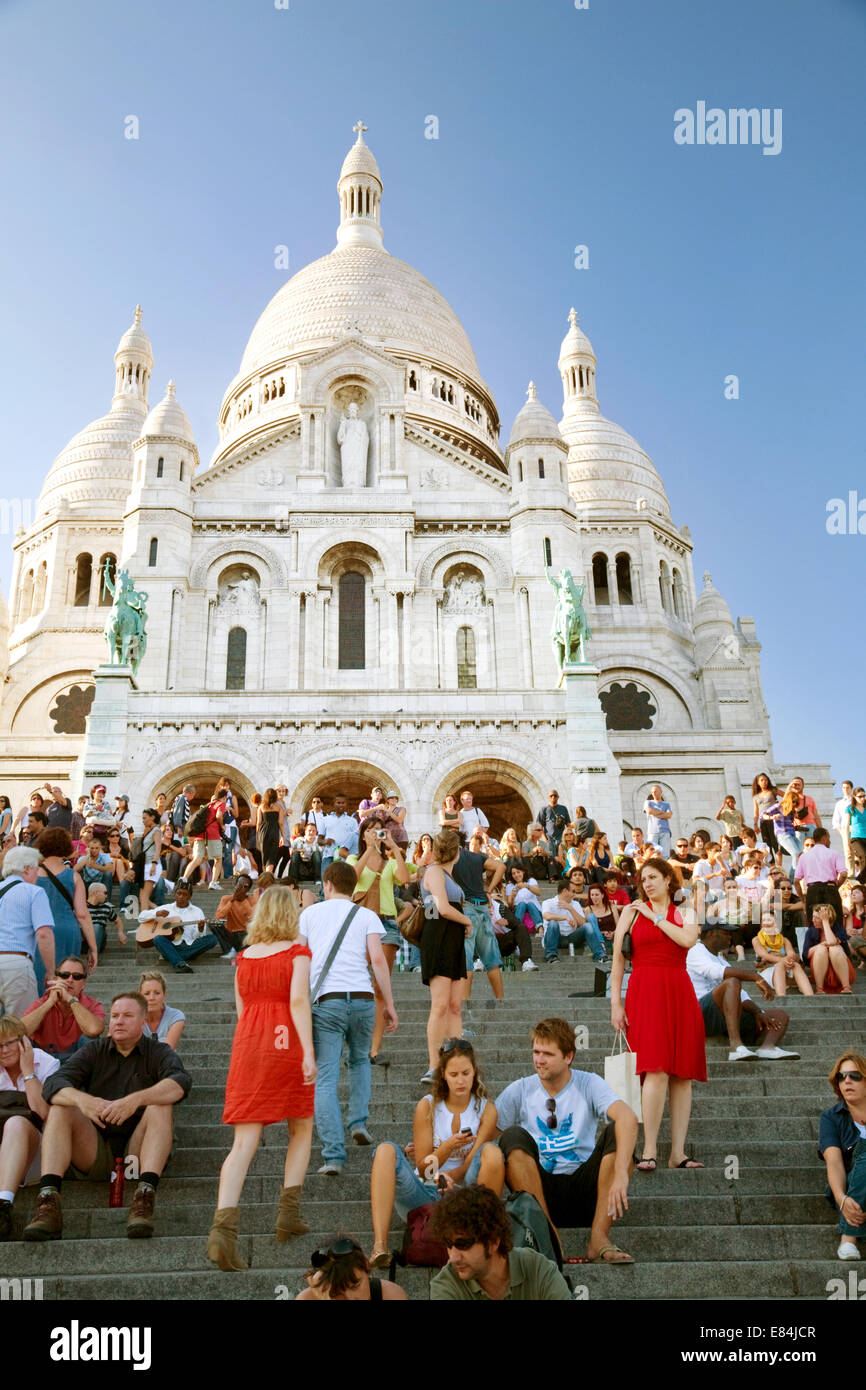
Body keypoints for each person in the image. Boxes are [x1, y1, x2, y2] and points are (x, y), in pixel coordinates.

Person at [23, 991, 192, 1241]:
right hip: (96, 1151)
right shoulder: (95, 1050)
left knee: (160, 1103)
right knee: (62, 1106)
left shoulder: (158, 1052)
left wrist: (136, 1100)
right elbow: (53, 1084)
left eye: (127, 1016)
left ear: (143, 1021)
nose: (118, 1021)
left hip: (139, 1155)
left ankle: (144, 1195)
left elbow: (181, 1083)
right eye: (114, 1016)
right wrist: (85, 1101)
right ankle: (48, 1202)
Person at [207, 885, 316, 1270]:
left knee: (243, 1143)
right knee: (301, 1126)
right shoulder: (297, 951)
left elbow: (242, 1010)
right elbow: (299, 1001)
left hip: (249, 1044)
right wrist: (308, 1052)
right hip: (285, 1041)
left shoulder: (244, 957)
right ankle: (287, 1213)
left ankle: (223, 1232)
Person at [496, 1016, 637, 1264]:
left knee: (617, 1131)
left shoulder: (588, 1083)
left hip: (586, 1193)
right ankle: (549, 1239)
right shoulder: (520, 1089)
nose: (539, 1060)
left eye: (547, 1054)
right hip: (540, 1196)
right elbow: (487, 1138)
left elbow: (627, 1116)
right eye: (536, 1052)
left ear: (568, 1056)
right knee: (512, 1137)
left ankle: (599, 1238)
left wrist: (623, 1173)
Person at [368, 1037, 504, 1267]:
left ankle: (484, 1239)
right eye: (454, 1074)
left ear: (474, 1072)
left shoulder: (486, 1109)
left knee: (491, 1151)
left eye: (465, 1073)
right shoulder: (428, 1106)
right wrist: (448, 1147)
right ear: (443, 1075)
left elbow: (470, 1164)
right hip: (425, 1191)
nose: (461, 1080)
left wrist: (452, 1180)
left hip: (465, 1192)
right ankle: (379, 1247)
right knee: (384, 1150)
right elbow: (423, 1167)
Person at [299, 861, 398, 1176]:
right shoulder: (366, 915)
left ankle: (333, 1155)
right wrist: (390, 1003)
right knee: (359, 1062)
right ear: (353, 887)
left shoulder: (309, 914)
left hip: (326, 1002)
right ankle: (358, 1122)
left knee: (326, 1077)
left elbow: (299, 960)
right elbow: (379, 960)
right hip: (363, 999)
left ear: (327, 884)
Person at [610, 858, 705, 1171]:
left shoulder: (686, 910)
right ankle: (648, 1148)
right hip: (644, 990)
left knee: (682, 1075)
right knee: (656, 1068)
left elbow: (688, 939)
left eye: (653, 877)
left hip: (679, 989)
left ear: (668, 880)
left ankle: (677, 1152)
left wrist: (657, 917)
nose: (647, 883)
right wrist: (615, 1004)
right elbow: (618, 962)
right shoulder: (631, 912)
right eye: (643, 879)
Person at [429, 1185, 572, 1301]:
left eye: (464, 1244)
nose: (453, 1257)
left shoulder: (538, 1268)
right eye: (448, 1244)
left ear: (493, 1242)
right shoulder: (446, 1284)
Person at [686, 924, 799, 1060]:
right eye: (726, 933)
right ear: (710, 934)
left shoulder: (720, 959)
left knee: (779, 1015)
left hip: (726, 1014)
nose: (730, 937)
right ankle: (736, 1046)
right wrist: (756, 977)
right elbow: (716, 972)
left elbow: (742, 995)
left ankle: (767, 1048)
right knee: (732, 982)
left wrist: (757, 1012)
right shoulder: (695, 951)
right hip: (700, 1014)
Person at [348, 826, 409, 1065]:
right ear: (363, 835)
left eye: (379, 831)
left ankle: (374, 1049)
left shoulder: (390, 861)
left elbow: (404, 879)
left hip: (386, 924)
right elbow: (351, 877)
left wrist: (394, 848)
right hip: (360, 923)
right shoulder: (354, 857)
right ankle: (356, 1046)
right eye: (371, 830)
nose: (376, 834)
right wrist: (369, 851)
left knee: (380, 987)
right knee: (356, 983)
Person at [418, 831, 473, 1084]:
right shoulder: (434, 871)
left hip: (452, 938)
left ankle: (456, 1062)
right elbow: (441, 908)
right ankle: (433, 1065)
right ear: (456, 851)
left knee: (454, 1004)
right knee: (440, 1005)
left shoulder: (449, 874)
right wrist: (467, 920)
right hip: (438, 935)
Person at [0, 1016, 58, 1239]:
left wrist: (28, 1072)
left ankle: (4, 1204)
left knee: (15, 1123)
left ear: (24, 1041)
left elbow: (45, 1114)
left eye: (10, 1043)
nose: (4, 1050)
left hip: (39, 1149)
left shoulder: (46, 1063)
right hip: (4, 1149)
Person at [818, 1052, 866, 1261]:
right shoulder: (831, 1118)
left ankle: (848, 1237)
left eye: (855, 1076)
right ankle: (849, 1238)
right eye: (841, 1076)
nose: (847, 1081)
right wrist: (841, 1198)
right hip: (849, 1187)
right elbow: (834, 1162)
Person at [0, 846, 56, 1017]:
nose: (37, 874)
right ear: (26, 868)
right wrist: (51, 971)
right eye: (36, 868)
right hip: (15, 962)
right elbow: (44, 933)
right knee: (22, 1026)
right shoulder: (34, 892)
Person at [452, 837, 505, 1010]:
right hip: (482, 905)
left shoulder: (451, 858)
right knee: (491, 957)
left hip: (465, 906)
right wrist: (489, 890)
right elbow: (501, 866)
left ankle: (466, 1002)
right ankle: (501, 1000)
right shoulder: (476, 857)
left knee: (466, 957)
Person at [21, 956, 105, 1058]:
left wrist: (70, 1000)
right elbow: (20, 1032)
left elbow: (94, 1030)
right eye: (65, 975)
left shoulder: (93, 1005)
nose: (70, 980)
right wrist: (50, 1002)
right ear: (56, 979)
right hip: (43, 1059)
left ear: (83, 983)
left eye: (77, 976)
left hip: (76, 1062)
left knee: (92, 1040)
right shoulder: (42, 1002)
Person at [296, 1236, 407, 1300]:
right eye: (337, 1292)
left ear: (366, 1265)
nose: (350, 1298)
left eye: (355, 1286)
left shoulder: (391, 1294)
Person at [142, 882, 218, 974]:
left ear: (190, 897)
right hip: (171, 945)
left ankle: (176, 958)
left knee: (213, 939)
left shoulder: (197, 911)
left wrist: (200, 929)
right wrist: (156, 913)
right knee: (157, 939)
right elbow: (141, 917)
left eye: (185, 894)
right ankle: (180, 961)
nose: (181, 896)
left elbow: (198, 937)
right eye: (179, 893)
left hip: (190, 946)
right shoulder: (167, 908)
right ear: (175, 894)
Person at [541, 880, 607, 964]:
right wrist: (565, 918)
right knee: (553, 923)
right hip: (554, 938)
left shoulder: (575, 904)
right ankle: (551, 956)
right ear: (565, 891)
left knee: (588, 926)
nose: (574, 894)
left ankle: (600, 955)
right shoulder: (548, 902)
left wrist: (570, 909)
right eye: (573, 891)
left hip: (572, 937)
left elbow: (583, 923)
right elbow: (547, 916)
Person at [794, 828, 847, 927]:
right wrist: (836, 886)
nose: (830, 841)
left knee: (814, 926)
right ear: (824, 838)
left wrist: (802, 900)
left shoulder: (804, 856)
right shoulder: (834, 853)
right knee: (836, 924)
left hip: (813, 891)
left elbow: (796, 881)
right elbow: (843, 874)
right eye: (829, 838)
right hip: (831, 889)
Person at [752, 913, 813, 997]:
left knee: (795, 965)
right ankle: (781, 997)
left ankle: (810, 996)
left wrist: (783, 958)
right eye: (763, 920)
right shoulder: (756, 939)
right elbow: (765, 956)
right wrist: (782, 959)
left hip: (785, 970)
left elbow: (792, 955)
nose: (766, 923)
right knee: (780, 965)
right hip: (767, 971)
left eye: (769, 920)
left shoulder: (784, 940)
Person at [803, 903, 854, 994]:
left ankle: (846, 987)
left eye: (817, 918)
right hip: (820, 972)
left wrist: (825, 922)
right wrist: (822, 945)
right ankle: (819, 989)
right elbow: (806, 954)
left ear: (827, 918)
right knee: (821, 950)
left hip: (842, 971)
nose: (813, 920)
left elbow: (831, 942)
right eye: (813, 916)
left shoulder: (839, 928)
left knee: (834, 949)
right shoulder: (811, 931)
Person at [182, 793, 224, 890]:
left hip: (199, 835)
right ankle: (213, 883)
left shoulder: (206, 806)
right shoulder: (220, 804)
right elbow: (218, 816)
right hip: (213, 835)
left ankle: (184, 878)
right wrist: (222, 826)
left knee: (196, 859)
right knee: (218, 859)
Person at [139, 971, 186, 1049]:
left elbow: (167, 1052)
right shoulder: (132, 1017)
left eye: (157, 993)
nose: (151, 998)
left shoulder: (176, 1016)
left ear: (164, 995)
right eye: (147, 993)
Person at [320, 792, 359, 870]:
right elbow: (319, 840)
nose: (341, 805)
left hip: (345, 858)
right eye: (338, 803)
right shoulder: (325, 819)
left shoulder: (352, 821)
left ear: (346, 804)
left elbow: (356, 839)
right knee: (326, 880)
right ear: (333, 804)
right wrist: (325, 841)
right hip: (329, 856)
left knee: (344, 881)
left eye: (343, 803)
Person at [86, 881, 124, 952]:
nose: (106, 896)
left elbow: (118, 920)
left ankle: (93, 953)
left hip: (99, 939)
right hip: (84, 940)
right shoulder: (82, 907)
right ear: (96, 893)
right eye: (105, 893)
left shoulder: (106, 908)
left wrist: (120, 932)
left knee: (97, 926)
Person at [536, 791, 571, 856]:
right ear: (548, 797)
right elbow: (539, 826)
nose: (553, 797)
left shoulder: (563, 808)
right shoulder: (544, 809)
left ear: (558, 797)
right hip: (549, 840)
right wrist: (545, 840)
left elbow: (568, 825)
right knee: (551, 861)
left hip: (561, 840)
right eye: (551, 796)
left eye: (555, 795)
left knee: (563, 859)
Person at [644, 785, 673, 853]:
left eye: (656, 791)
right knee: (651, 852)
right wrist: (662, 813)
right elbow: (649, 811)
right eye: (652, 792)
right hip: (652, 831)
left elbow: (669, 815)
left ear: (661, 792)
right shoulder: (648, 802)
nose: (654, 793)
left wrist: (655, 814)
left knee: (665, 853)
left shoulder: (666, 804)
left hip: (665, 831)